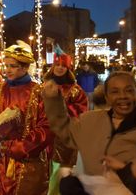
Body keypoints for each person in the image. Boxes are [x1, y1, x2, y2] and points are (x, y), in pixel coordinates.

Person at [43, 71, 136, 194]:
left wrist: (126, 172)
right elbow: (65, 130)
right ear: (107, 97)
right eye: (115, 92)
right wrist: (53, 100)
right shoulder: (90, 121)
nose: (123, 96)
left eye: (129, 91)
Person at [0, 44, 54, 195]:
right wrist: (0, 128)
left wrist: (22, 147)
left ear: (25, 67)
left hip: (29, 161)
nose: (8, 70)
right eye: (6, 65)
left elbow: (47, 126)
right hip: (0, 159)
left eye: (13, 66)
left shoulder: (39, 92)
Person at [44, 52, 87, 195]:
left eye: (64, 66)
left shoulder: (76, 90)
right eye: (58, 65)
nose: (60, 68)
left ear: (69, 69)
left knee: (61, 176)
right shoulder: (44, 86)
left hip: (64, 140)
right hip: (44, 138)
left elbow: (81, 113)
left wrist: (59, 105)